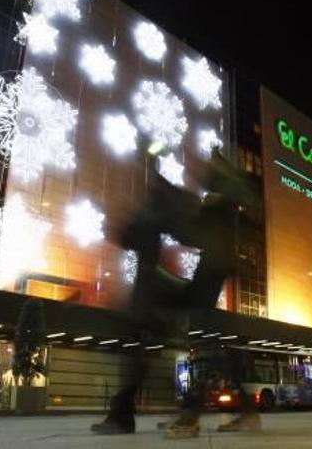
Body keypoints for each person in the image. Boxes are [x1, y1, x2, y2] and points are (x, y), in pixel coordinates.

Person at [91, 148, 256, 438]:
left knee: (201, 341)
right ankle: (233, 410)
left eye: (206, 169)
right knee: (196, 339)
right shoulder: (217, 200)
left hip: (210, 273)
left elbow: (193, 232)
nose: (198, 172)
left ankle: (190, 415)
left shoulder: (222, 199)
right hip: (205, 273)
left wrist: (164, 201)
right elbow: (190, 231)